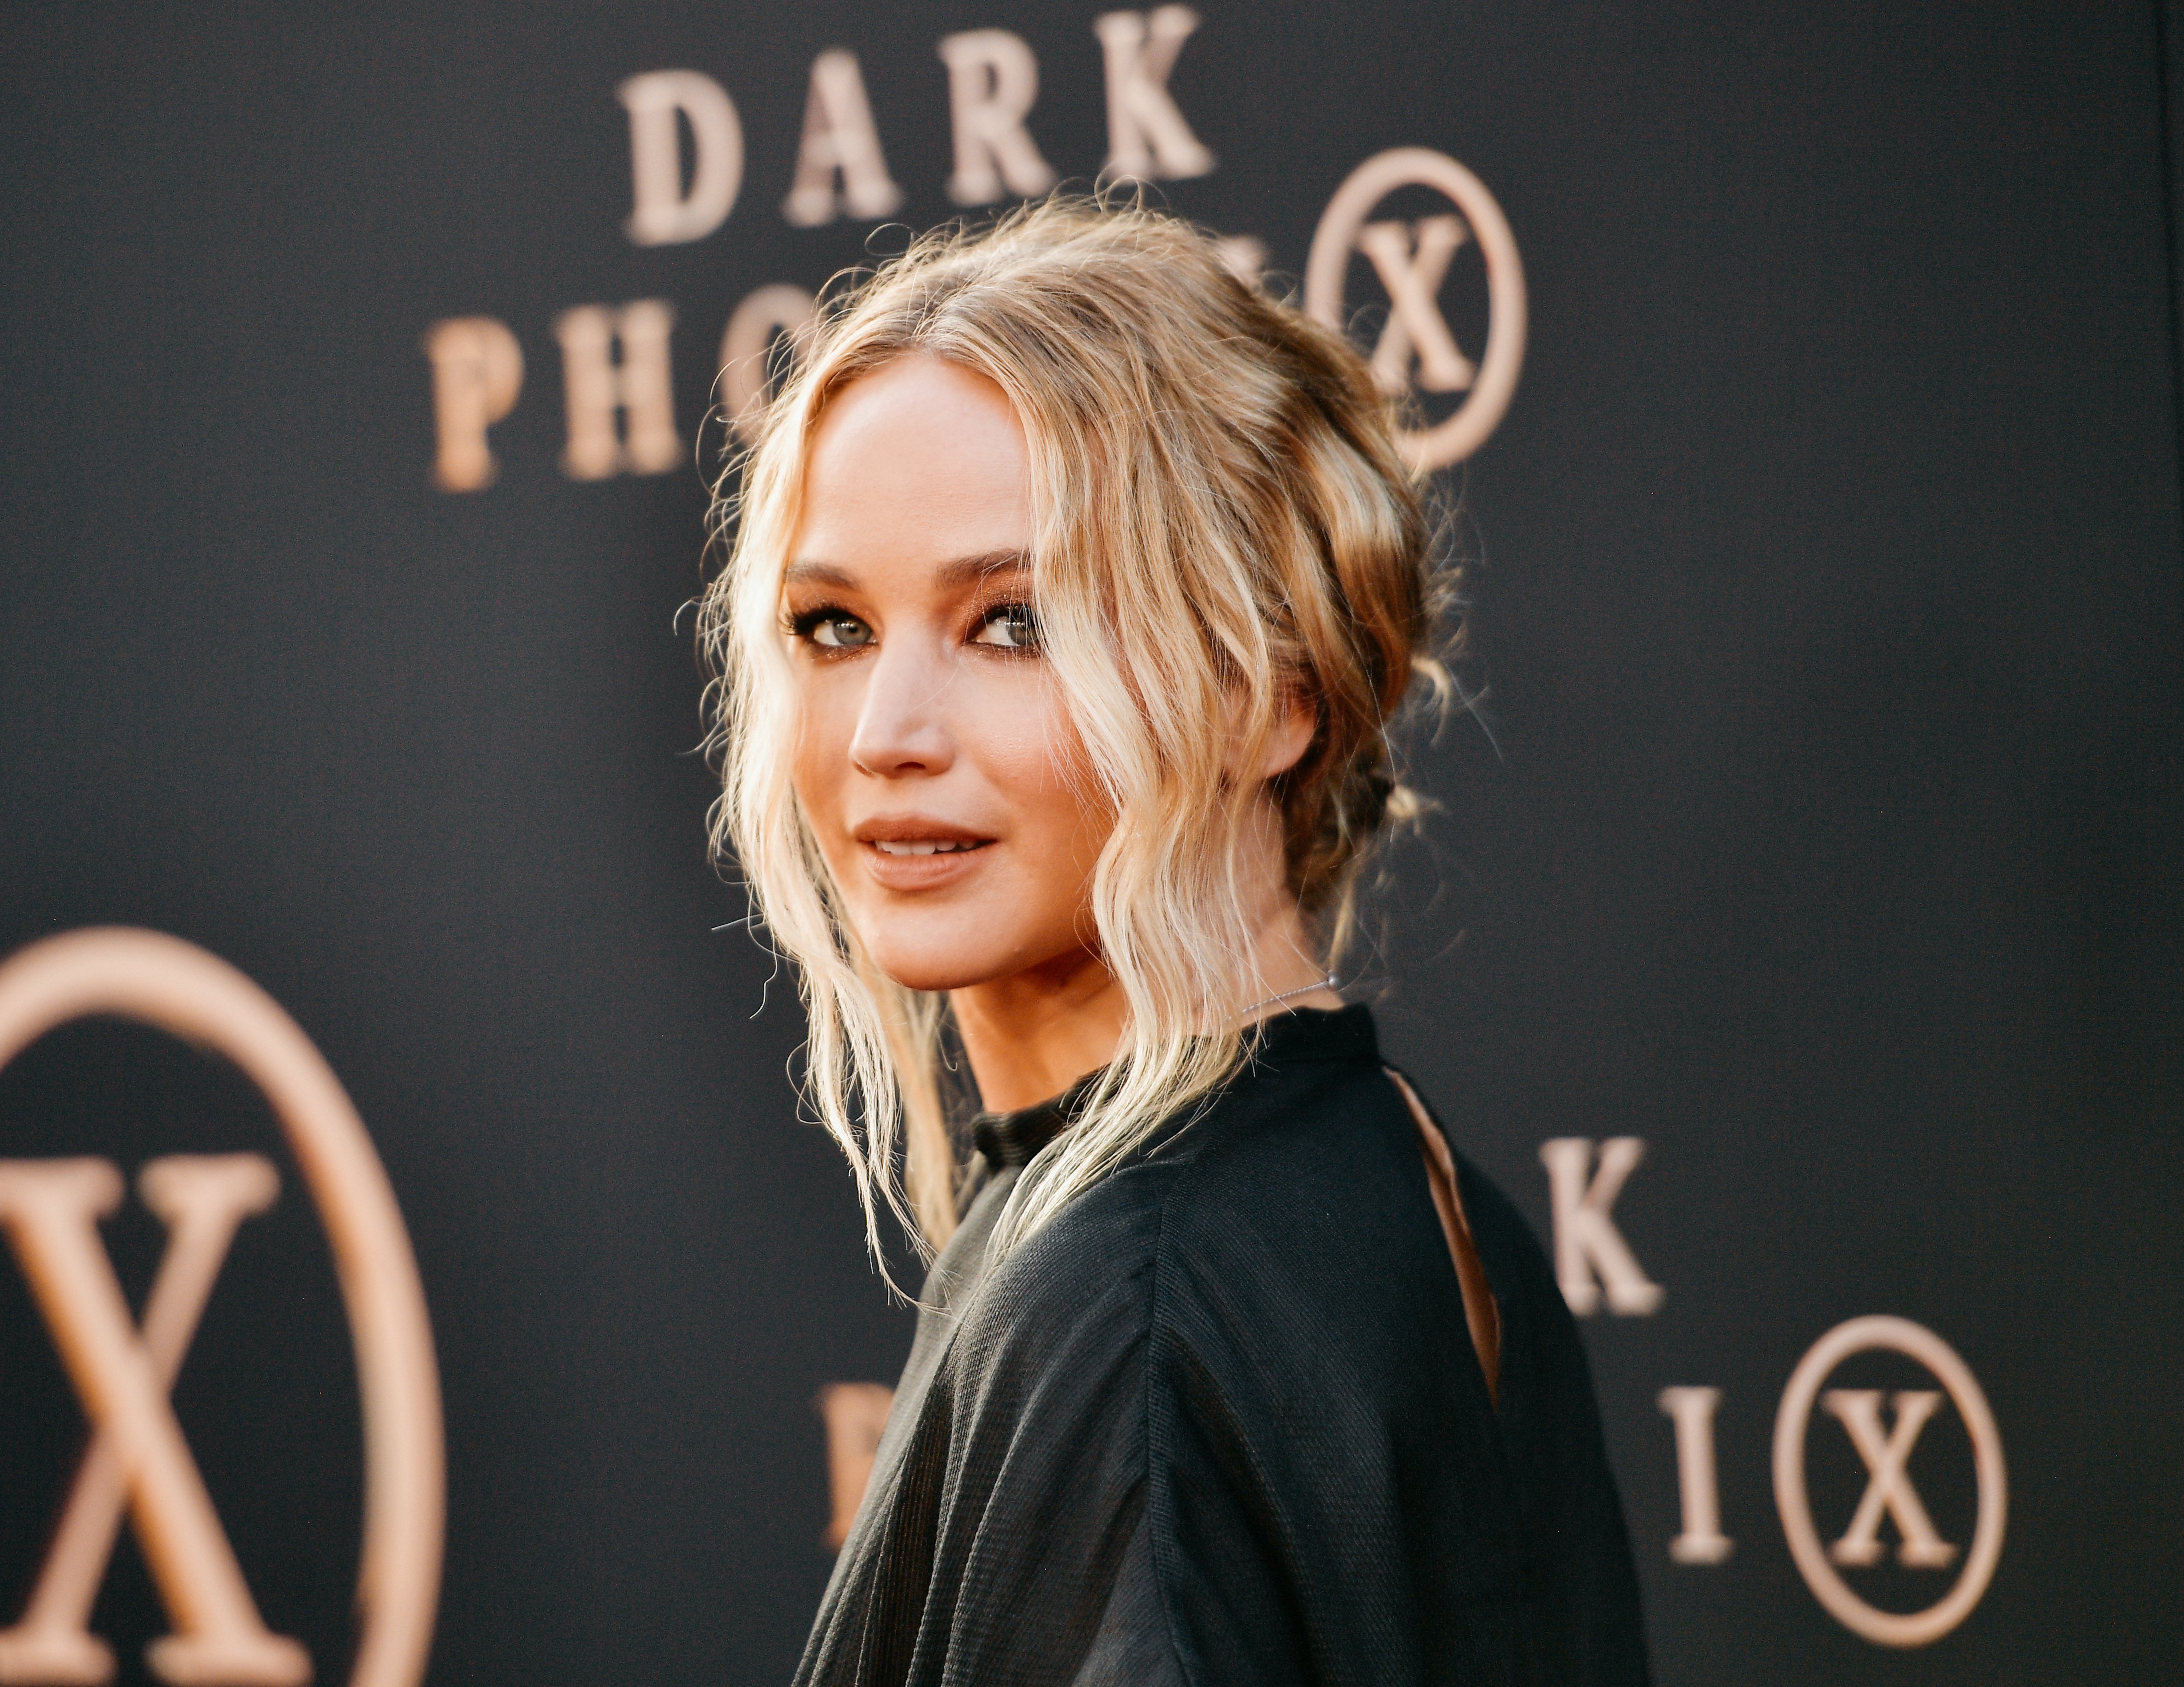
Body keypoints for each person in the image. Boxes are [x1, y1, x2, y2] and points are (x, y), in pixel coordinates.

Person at [701, 199, 1648, 1686]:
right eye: (834, 629)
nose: (887, 736)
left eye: (1013, 620)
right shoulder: (1394, 1170)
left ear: (1271, 692)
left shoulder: (1130, 1299)